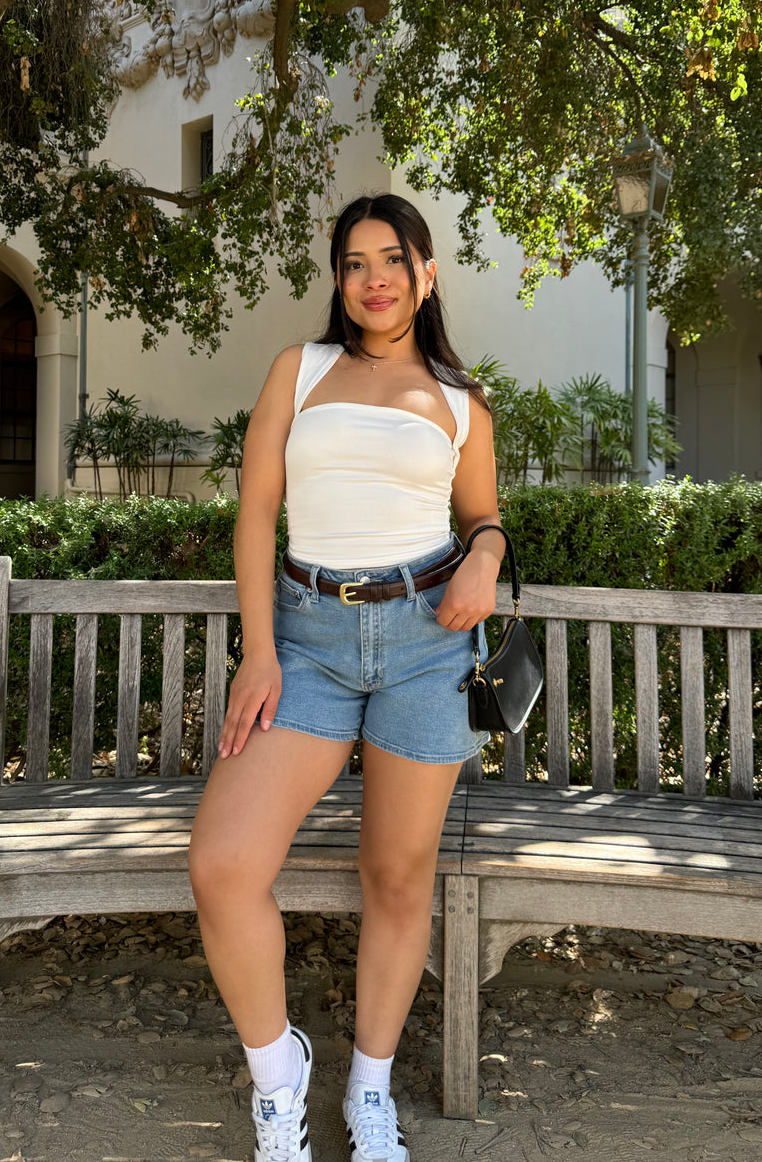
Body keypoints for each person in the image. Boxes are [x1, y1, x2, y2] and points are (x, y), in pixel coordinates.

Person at [189, 193, 505, 1162]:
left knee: (397, 876)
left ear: (426, 273)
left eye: (392, 258)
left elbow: (484, 518)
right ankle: (278, 1078)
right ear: (339, 279)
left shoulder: (460, 402)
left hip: (425, 646)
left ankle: (370, 1092)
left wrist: (485, 560)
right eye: (355, 261)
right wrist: (261, 649)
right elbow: (254, 517)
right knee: (224, 863)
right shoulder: (301, 369)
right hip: (310, 643)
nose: (373, 278)